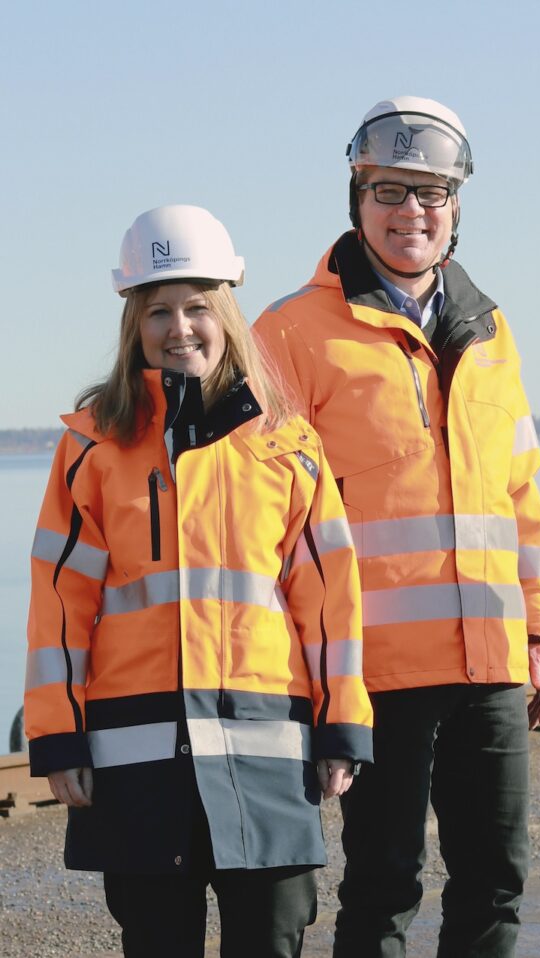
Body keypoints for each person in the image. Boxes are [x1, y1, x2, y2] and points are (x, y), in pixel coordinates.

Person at [253, 96, 540, 957]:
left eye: (432, 193)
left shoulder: (491, 332)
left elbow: (521, 495)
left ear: (457, 207)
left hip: (491, 663)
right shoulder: (290, 333)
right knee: (381, 888)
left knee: (495, 883)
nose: (410, 212)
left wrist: (539, 626)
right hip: (374, 671)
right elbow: (264, 525)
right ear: (356, 197)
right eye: (391, 190)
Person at [24, 204, 374, 958]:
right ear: (133, 324)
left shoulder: (287, 444)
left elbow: (330, 599)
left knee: (274, 940)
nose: (179, 329)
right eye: (158, 312)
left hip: (267, 753)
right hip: (137, 760)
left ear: (227, 313)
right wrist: (57, 733)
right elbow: (60, 603)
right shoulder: (91, 448)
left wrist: (343, 724)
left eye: (196, 308)